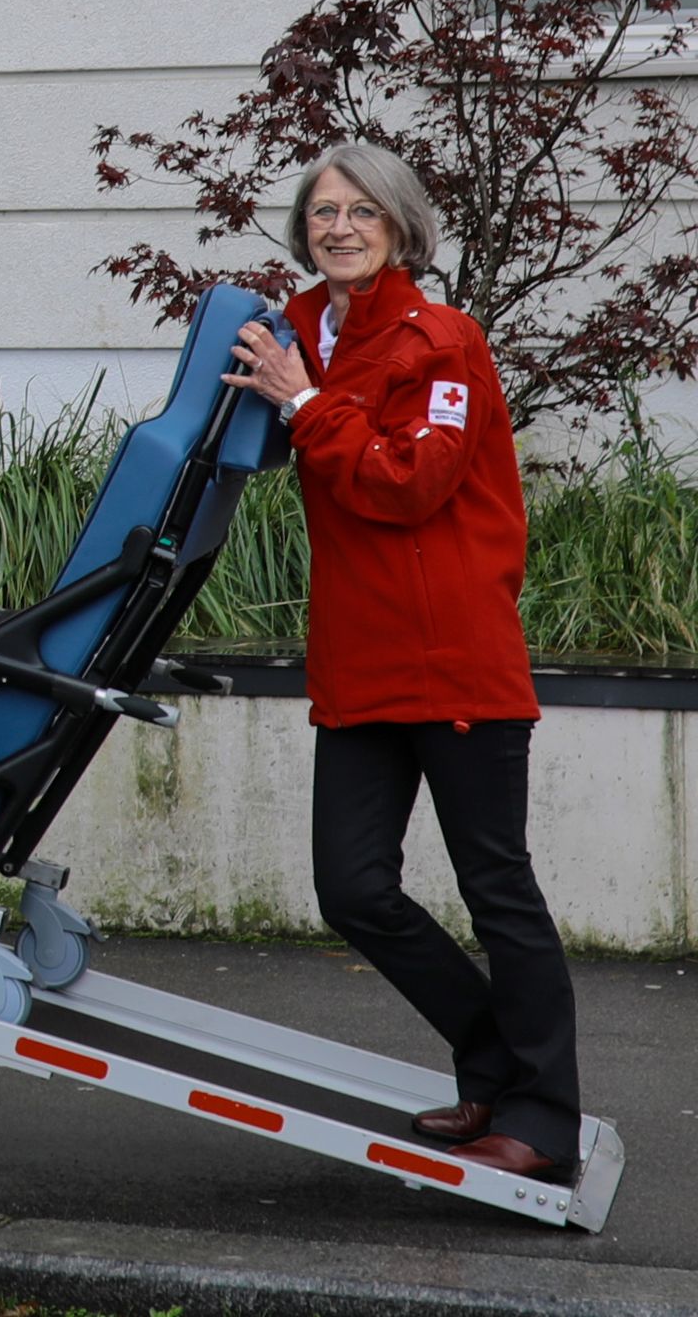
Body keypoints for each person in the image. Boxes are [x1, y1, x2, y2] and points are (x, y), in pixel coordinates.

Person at [226, 139, 580, 1183]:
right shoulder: (303, 330)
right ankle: (492, 1063)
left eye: (360, 213)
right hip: (358, 661)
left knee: (496, 888)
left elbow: (407, 483)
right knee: (352, 891)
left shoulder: (442, 338)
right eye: (322, 212)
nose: (337, 226)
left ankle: (543, 1118)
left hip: (453, 656)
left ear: (398, 228)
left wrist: (302, 405)